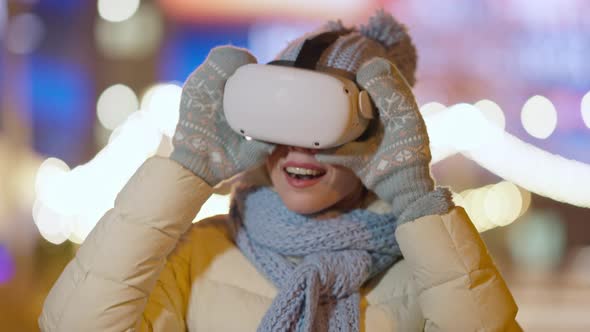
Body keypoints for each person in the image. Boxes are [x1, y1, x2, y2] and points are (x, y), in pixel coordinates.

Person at [39, 10, 521, 332]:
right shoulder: (197, 254)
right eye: (280, 118)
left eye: (324, 125)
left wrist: (414, 196)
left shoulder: (428, 269)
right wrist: (187, 168)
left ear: (378, 136)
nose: (298, 148)